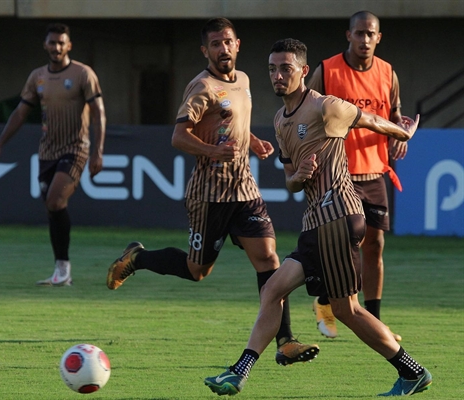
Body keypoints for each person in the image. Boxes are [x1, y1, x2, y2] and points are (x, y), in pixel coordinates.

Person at [204, 38, 431, 397]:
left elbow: (371, 120)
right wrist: (301, 175)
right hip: (317, 222)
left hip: (338, 215)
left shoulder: (326, 107)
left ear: (304, 72)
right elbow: (291, 181)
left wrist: (403, 131)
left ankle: (239, 372)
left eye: (286, 68)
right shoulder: (280, 120)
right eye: (272, 69)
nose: (278, 76)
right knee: (301, 297)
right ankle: (239, 372)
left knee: (337, 307)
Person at [106, 18, 318, 366]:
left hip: (244, 190)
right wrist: (212, 151)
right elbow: (179, 135)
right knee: (196, 271)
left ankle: (285, 341)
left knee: (268, 259)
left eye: (228, 42)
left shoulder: (246, 80)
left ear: (238, 45)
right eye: (215, 44)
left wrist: (251, 141)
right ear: (206, 50)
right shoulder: (201, 87)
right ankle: (137, 258)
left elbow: (232, 124)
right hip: (209, 195)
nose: (223, 49)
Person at [307, 11, 404, 341]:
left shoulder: (388, 72)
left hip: (374, 170)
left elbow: (394, 114)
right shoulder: (327, 69)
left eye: (370, 34)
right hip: (337, 173)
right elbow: (306, 111)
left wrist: (398, 134)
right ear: (348, 35)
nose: (364, 39)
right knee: (342, 244)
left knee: (374, 245)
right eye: (359, 33)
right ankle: (324, 302)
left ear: (379, 37)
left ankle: (374, 321)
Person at [0, 23, 106, 286]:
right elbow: (20, 112)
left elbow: (99, 112)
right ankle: (61, 271)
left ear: (69, 46)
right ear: (46, 45)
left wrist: (98, 151)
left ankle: (63, 269)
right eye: (52, 43)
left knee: (54, 201)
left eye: (61, 43)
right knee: (53, 210)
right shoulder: (37, 77)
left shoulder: (83, 74)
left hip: (76, 148)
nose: (56, 47)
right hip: (47, 151)